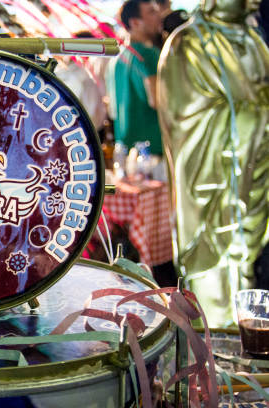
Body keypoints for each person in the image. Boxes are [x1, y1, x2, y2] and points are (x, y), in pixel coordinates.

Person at [157, 0, 268, 326]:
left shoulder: (254, 41)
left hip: (251, 169)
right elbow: (187, 119)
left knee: (246, 263)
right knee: (213, 272)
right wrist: (256, 112)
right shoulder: (188, 43)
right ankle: (211, 344)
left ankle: (240, 335)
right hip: (210, 182)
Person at [106, 0, 164, 168]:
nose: (159, 16)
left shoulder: (116, 59)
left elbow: (112, 109)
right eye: (152, 12)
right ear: (135, 22)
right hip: (152, 153)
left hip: (124, 152)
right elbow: (157, 100)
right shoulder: (148, 54)